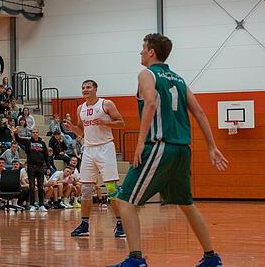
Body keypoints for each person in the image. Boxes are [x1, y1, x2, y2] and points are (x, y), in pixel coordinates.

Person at [109, 34, 229, 267]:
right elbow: (200, 113)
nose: (141, 52)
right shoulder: (179, 79)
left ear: (151, 52)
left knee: (124, 201)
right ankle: (211, 257)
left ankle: (136, 260)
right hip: (182, 150)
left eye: (143, 48)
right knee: (186, 203)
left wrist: (141, 142)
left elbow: (151, 102)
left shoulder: (147, 74)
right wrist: (212, 146)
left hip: (160, 147)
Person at [64, 79, 127, 238]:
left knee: (111, 188)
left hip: (106, 147)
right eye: (83, 87)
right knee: (85, 189)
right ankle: (84, 225)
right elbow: (81, 132)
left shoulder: (106, 104)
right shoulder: (80, 108)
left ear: (95, 89)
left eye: (88, 87)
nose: (85, 90)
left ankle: (121, 224)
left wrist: (106, 122)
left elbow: (121, 123)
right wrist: (72, 128)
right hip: (89, 149)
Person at [14, 126, 52, 212]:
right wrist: (15, 133)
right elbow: (18, 139)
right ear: (31, 134)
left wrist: (48, 167)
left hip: (41, 167)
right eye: (33, 132)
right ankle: (32, 205)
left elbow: (46, 156)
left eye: (36, 132)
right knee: (31, 186)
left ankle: (42, 205)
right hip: (31, 166)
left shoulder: (42, 143)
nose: (35, 134)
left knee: (40, 186)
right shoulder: (28, 142)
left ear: (38, 134)